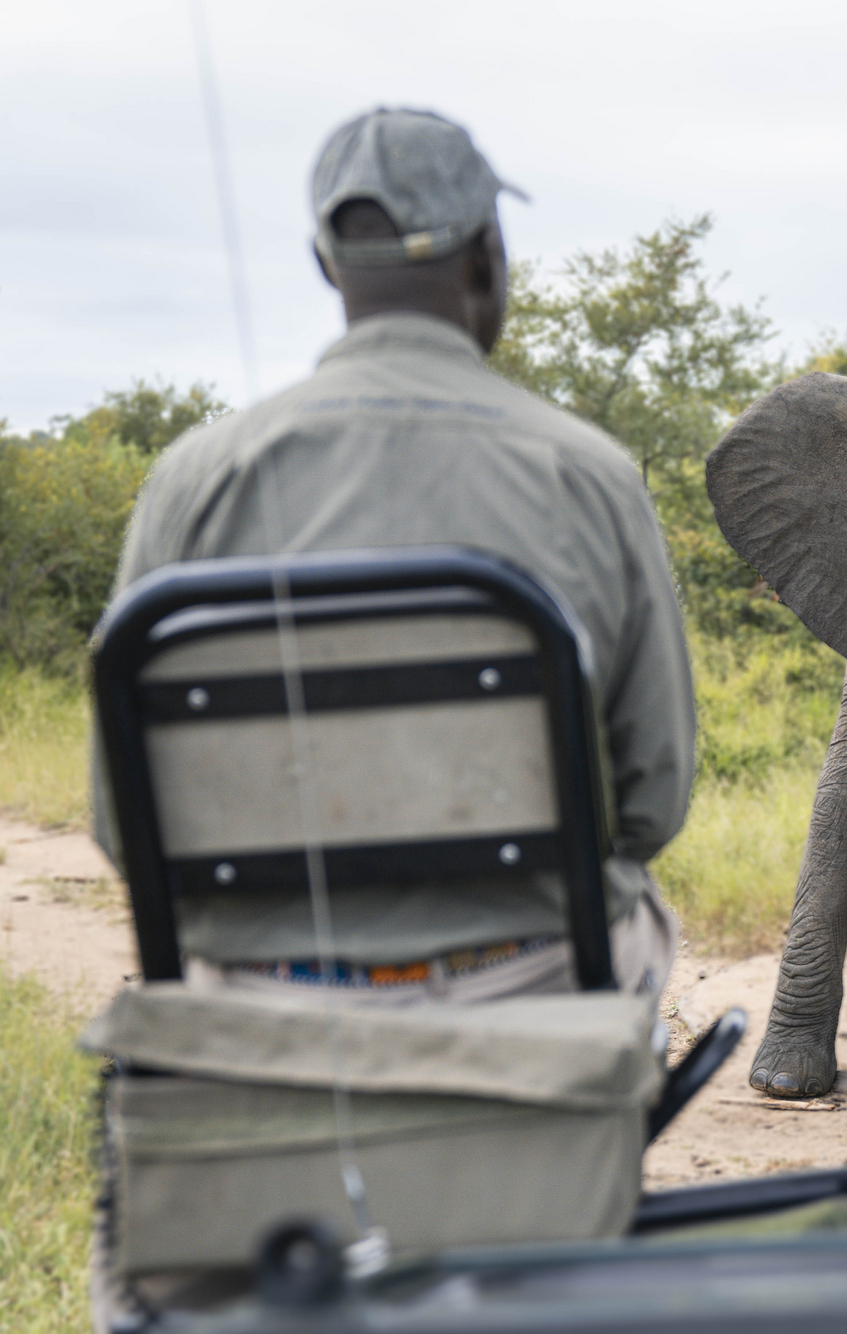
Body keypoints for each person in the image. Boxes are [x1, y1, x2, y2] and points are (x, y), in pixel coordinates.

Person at [93, 108, 695, 1006]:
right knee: (642, 920)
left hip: (265, 994)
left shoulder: (193, 478)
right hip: (529, 980)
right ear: (488, 255)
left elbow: (122, 823)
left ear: (326, 265)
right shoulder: (588, 472)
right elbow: (651, 805)